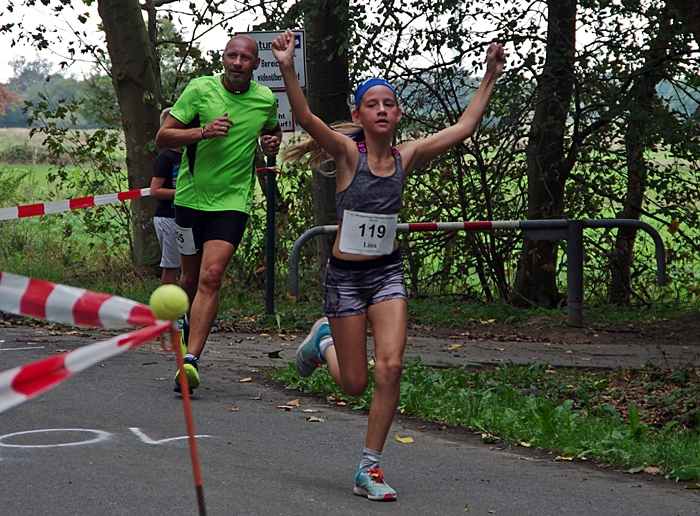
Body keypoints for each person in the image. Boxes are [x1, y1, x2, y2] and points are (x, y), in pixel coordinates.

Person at [272, 29, 505, 501]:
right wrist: (287, 68)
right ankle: (323, 343)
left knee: (392, 366)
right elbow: (304, 116)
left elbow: (462, 129)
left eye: (389, 104)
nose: (381, 110)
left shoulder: (407, 155)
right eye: (372, 104)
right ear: (358, 115)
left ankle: (369, 469)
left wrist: (489, 77)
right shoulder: (345, 153)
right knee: (355, 384)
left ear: (398, 115)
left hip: (385, 275)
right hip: (345, 281)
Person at [155, 34, 282, 393]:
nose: (238, 62)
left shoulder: (264, 99)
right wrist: (203, 132)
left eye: (246, 58)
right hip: (190, 200)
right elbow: (163, 138)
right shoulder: (199, 90)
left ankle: (191, 361)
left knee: (211, 276)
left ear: (256, 65)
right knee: (190, 279)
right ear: (223, 59)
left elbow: (272, 134)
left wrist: (271, 143)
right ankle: (182, 318)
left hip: (232, 202)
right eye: (232, 56)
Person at [150, 107, 182, 286]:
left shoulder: (188, 155)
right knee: (172, 266)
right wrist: (182, 194)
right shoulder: (165, 157)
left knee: (188, 265)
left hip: (184, 217)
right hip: (167, 217)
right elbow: (155, 191)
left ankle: (185, 309)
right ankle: (166, 309)